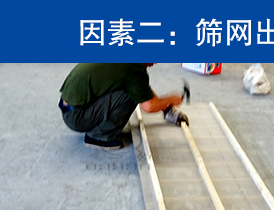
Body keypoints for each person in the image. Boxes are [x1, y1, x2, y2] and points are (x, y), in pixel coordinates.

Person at [58, 63, 187, 151]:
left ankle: (97, 127)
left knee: (131, 88)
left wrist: (166, 108)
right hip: (76, 117)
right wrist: (171, 99)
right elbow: (148, 106)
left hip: (70, 107)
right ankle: (98, 136)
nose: (155, 63)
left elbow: (140, 88)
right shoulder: (135, 67)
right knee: (129, 96)